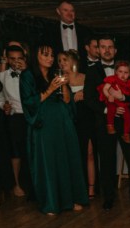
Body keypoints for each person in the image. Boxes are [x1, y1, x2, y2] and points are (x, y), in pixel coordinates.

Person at [19, 43, 88, 215]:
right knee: (49, 163)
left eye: (51, 55)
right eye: (46, 55)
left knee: (66, 160)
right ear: (36, 56)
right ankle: (51, 202)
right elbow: (29, 102)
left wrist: (64, 85)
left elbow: (67, 101)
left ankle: (69, 200)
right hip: (44, 124)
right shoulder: (27, 76)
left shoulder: (55, 73)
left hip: (62, 122)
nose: (50, 59)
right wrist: (50, 88)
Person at [84, 35, 130, 210]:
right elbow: (89, 99)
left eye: (110, 47)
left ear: (115, 50)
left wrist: (125, 98)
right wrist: (106, 110)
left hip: (126, 120)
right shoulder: (92, 71)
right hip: (105, 123)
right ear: (98, 50)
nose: (107, 50)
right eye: (103, 47)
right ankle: (108, 198)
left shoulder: (126, 68)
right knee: (107, 161)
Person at [58, 49, 96, 199]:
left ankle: (91, 188)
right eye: (59, 61)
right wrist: (73, 95)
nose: (61, 63)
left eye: (64, 60)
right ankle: (75, 189)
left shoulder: (86, 78)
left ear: (74, 62)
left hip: (87, 120)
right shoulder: (59, 81)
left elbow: (96, 99)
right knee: (73, 155)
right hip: (69, 121)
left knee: (90, 154)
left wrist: (86, 96)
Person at [0, 44, 32, 198]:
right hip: (14, 117)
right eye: (12, 59)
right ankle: (17, 185)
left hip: (31, 116)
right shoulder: (1, 76)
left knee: (32, 151)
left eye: (19, 59)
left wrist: (27, 72)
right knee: (15, 153)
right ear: (7, 58)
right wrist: (3, 105)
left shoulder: (31, 74)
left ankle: (34, 183)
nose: (15, 62)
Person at [99, 60, 130, 143]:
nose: (123, 75)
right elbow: (105, 89)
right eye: (120, 71)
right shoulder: (112, 79)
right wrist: (109, 96)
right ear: (116, 71)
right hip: (112, 100)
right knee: (111, 108)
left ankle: (126, 134)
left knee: (128, 116)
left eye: (126, 72)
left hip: (123, 103)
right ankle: (110, 125)